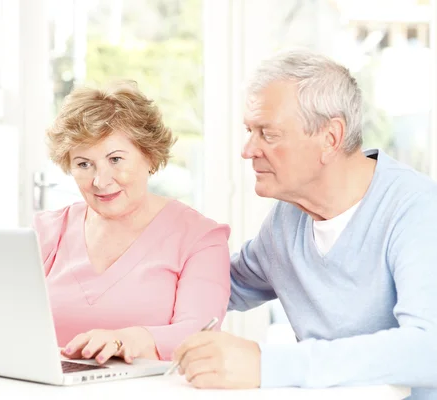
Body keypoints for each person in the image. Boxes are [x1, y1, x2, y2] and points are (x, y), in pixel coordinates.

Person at [173, 49, 437, 399]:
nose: (248, 150)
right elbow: (222, 285)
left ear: (330, 138)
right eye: (250, 131)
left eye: (268, 134)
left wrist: (266, 365)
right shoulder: (288, 219)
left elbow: (428, 349)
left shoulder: (417, 209)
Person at [0, 81, 231, 366]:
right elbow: (1, 320)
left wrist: (127, 340)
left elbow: (201, 334)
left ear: (149, 154)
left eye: (115, 159)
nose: (100, 180)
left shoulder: (200, 237)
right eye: (84, 164)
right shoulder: (49, 231)